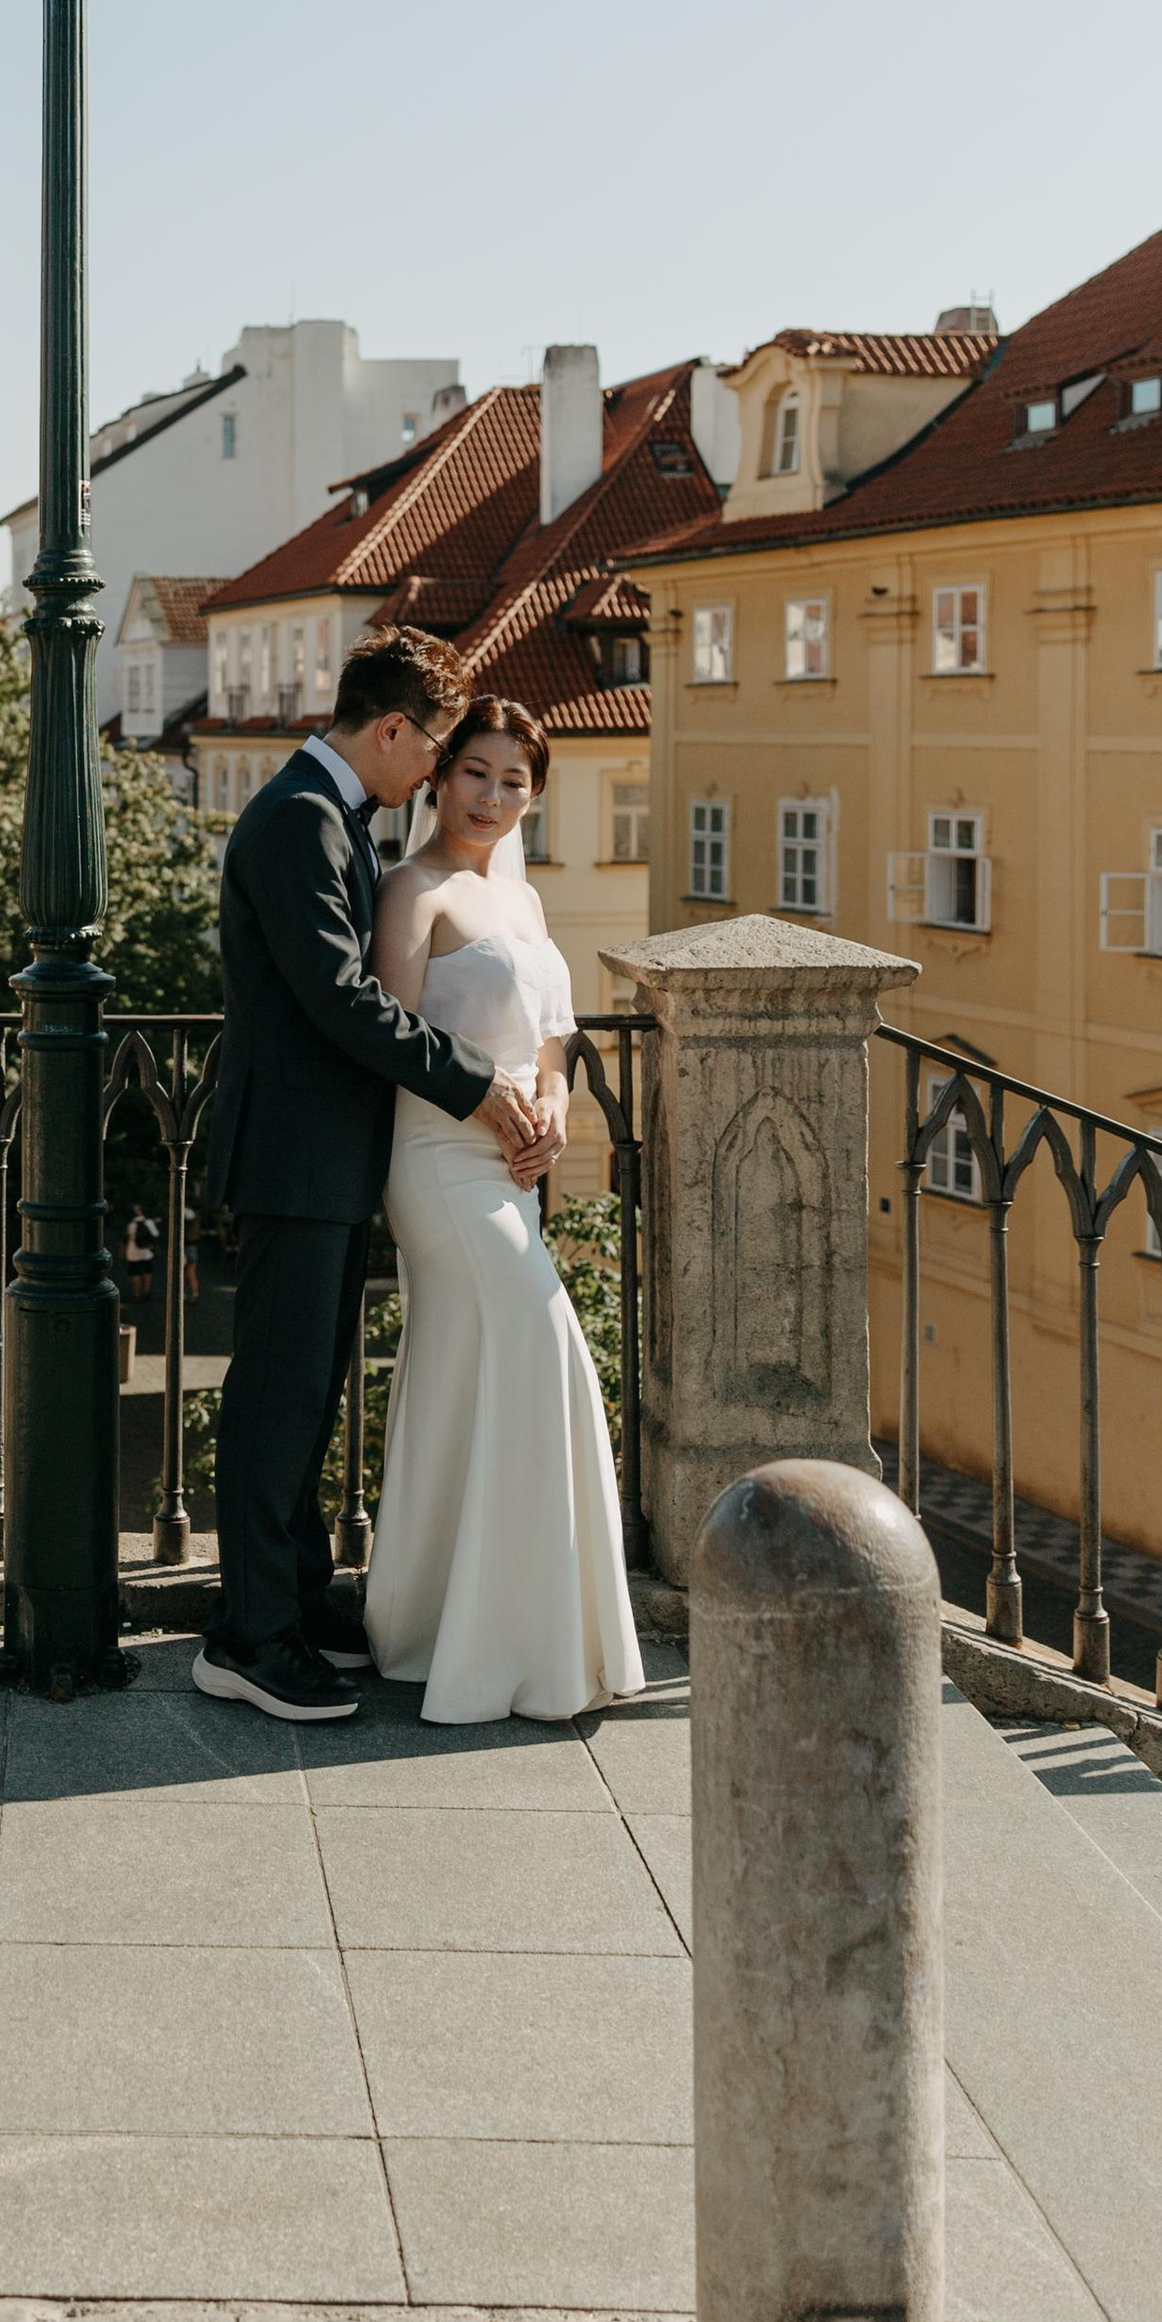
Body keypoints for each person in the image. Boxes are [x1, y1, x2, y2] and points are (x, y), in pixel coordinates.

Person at [196, 627, 543, 1723]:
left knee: (308, 1392)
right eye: (436, 747)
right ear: (393, 729)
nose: (436, 772)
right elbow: (343, 1000)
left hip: (327, 1159)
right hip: (294, 1159)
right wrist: (478, 1085)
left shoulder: (327, 811)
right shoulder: (299, 818)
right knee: (275, 1397)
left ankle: (294, 1598)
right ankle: (247, 1637)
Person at [363, 694, 644, 1721]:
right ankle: (502, 1649)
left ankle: (439, 1630)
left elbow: (553, 1039)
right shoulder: (413, 889)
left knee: (465, 1379)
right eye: (475, 771)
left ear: (535, 793)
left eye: (514, 780)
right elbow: (388, 1041)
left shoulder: (522, 903)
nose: (491, 795)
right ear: (440, 778)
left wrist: (557, 1107)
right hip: (439, 1160)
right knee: (544, 1349)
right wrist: (486, 1105)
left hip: (516, 1168)